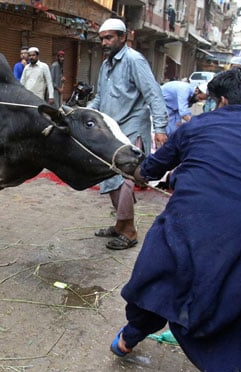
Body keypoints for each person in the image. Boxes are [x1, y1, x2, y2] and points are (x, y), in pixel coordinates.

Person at [110, 67, 241, 372]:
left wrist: (136, 169)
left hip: (190, 242)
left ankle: (128, 338)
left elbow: (149, 170)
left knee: (161, 281)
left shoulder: (197, 126)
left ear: (223, 101)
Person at [89, 18, 168, 250]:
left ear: (123, 37)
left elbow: (153, 94)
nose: (105, 42)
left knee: (124, 180)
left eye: (109, 37)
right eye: (102, 38)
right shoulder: (106, 65)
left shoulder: (134, 60)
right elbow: (100, 97)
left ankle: (130, 232)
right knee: (111, 176)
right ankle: (120, 225)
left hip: (132, 127)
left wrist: (161, 128)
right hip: (112, 130)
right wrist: (82, 113)